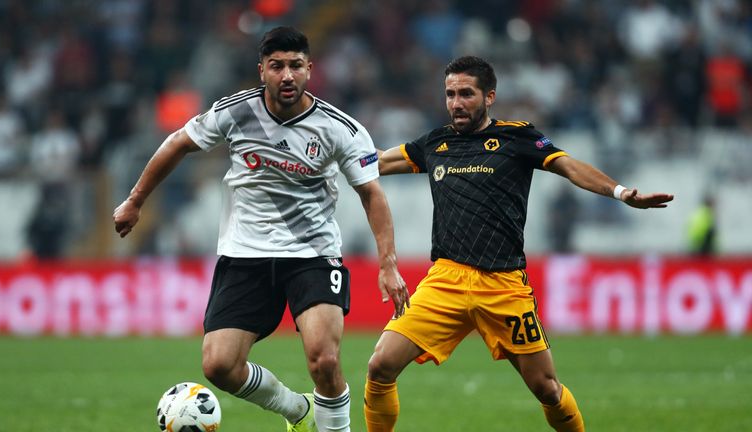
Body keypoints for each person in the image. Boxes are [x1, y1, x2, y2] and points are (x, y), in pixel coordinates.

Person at [113, 27, 409, 432]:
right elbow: (178, 142)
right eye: (277, 66)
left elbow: (372, 194)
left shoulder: (340, 127)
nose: (287, 75)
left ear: (309, 69)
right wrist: (135, 200)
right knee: (219, 365)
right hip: (244, 255)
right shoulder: (235, 111)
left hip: (313, 254)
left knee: (324, 359)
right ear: (262, 71)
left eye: (295, 66)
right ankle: (298, 411)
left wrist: (387, 264)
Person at [363, 56, 674, 431]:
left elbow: (568, 166)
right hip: (445, 280)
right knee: (380, 366)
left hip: (503, 286)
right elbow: (375, 162)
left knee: (547, 389)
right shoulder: (435, 143)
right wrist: (326, 150)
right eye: (450, 94)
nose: (456, 103)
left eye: (466, 94)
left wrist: (622, 192)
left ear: (489, 96)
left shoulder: (517, 137)